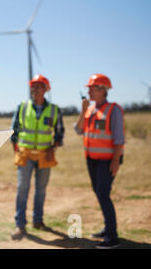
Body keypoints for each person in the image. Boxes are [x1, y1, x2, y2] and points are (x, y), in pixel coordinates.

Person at [10, 74, 65, 240]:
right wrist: (17, 150)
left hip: (45, 155)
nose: (36, 89)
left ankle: (38, 221)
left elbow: (60, 133)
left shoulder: (54, 110)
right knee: (22, 189)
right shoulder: (22, 107)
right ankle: (20, 225)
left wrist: (53, 147)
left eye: (40, 86)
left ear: (46, 89)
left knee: (40, 190)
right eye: (34, 86)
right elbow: (14, 132)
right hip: (25, 155)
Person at [74, 74, 124, 249]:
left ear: (103, 90)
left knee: (103, 194)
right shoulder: (90, 109)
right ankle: (107, 228)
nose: (89, 91)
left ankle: (112, 237)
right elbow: (78, 130)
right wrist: (83, 110)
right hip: (92, 160)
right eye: (88, 88)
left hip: (108, 160)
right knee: (99, 193)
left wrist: (116, 161)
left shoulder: (113, 110)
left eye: (92, 88)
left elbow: (119, 138)